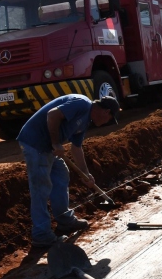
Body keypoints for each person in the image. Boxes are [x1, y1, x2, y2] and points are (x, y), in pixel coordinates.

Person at [16, 94, 120, 247]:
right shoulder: (82, 104)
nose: (107, 122)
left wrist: (86, 173)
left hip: (48, 147)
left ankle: (65, 220)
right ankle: (41, 235)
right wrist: (56, 143)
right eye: (110, 119)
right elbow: (53, 114)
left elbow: (76, 148)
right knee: (41, 188)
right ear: (106, 112)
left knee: (61, 174)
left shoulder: (85, 121)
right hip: (35, 143)